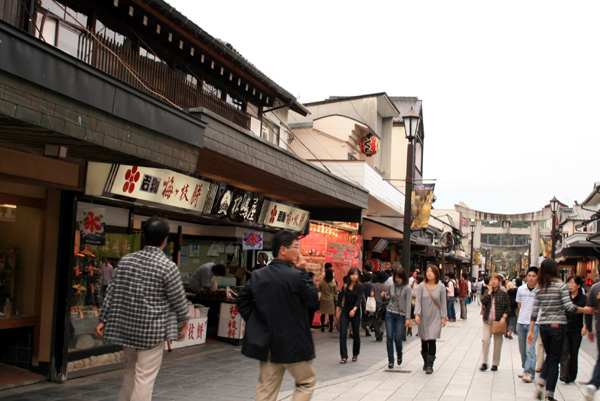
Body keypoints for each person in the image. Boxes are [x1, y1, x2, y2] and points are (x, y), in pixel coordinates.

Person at [94, 216, 189, 401]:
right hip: (152, 331)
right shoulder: (167, 267)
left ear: (144, 238)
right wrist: (184, 322)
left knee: (129, 373)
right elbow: (178, 298)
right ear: (165, 239)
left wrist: (102, 319)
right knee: (144, 378)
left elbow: (112, 292)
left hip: (127, 328)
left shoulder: (126, 261)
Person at [236, 230, 318, 401]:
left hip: (268, 343)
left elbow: (242, 301)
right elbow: (313, 301)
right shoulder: (296, 276)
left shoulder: (258, 275)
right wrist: (304, 271)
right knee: (306, 383)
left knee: (266, 389)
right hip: (295, 343)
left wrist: (256, 321)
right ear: (283, 249)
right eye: (296, 247)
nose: (298, 251)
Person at [527, 258, 591, 401]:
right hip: (558, 325)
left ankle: (541, 382)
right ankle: (549, 394)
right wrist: (584, 309)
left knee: (548, 357)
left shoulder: (540, 287)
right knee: (554, 360)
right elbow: (569, 307)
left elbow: (535, 310)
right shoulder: (561, 286)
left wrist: (531, 331)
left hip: (544, 326)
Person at [415, 264, 447, 374]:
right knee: (424, 340)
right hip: (424, 316)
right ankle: (425, 360)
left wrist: (444, 317)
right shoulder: (422, 286)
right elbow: (418, 301)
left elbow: (443, 303)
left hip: (435, 317)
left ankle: (430, 364)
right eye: (427, 271)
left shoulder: (441, 287)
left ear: (436, 274)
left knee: (432, 339)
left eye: (431, 271)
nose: (429, 273)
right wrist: (416, 314)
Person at [381, 267, 412, 369]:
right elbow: (389, 298)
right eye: (396, 277)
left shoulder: (407, 288)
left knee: (397, 337)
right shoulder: (392, 286)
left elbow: (408, 304)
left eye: (400, 277)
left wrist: (408, 317)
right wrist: (384, 296)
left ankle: (399, 354)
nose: (398, 279)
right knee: (389, 336)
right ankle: (390, 360)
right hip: (390, 312)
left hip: (400, 315)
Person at [480, 273, 510, 372]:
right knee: (485, 340)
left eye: (495, 280)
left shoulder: (503, 293)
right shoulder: (487, 292)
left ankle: (495, 363)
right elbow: (483, 301)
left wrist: (504, 318)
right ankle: (484, 362)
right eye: (491, 280)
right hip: (487, 320)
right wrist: (489, 292)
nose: (493, 281)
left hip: (498, 321)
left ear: (499, 282)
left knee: (498, 343)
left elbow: (508, 307)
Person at [559, 275, 587, 384]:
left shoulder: (584, 299)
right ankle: (564, 374)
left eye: (572, 283)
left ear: (578, 285)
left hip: (576, 329)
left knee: (574, 352)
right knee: (564, 351)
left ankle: (572, 375)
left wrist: (585, 327)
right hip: (565, 327)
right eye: (568, 283)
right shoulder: (565, 297)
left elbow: (587, 314)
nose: (570, 285)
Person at [336, 267, 364, 364]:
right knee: (343, 333)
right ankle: (344, 356)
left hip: (355, 312)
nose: (354, 276)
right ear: (349, 276)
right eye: (352, 274)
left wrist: (354, 310)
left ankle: (355, 354)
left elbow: (359, 300)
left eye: (356, 274)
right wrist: (337, 312)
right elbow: (340, 300)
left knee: (356, 334)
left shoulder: (360, 287)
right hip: (345, 311)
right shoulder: (345, 286)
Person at [516, 267, 539, 383]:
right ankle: (525, 369)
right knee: (522, 349)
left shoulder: (540, 290)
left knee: (530, 348)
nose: (531, 278)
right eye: (529, 276)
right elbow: (519, 305)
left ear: (538, 277)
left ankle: (530, 372)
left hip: (534, 323)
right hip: (521, 321)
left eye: (533, 276)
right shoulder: (521, 289)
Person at [585, 267, 600, 401]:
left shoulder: (595, 288)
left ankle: (594, 384)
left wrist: (589, 329)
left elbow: (589, 310)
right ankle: (594, 383)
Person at [372, 270, 389, 342]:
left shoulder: (374, 285)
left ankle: (377, 332)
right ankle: (382, 330)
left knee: (375, 319)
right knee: (384, 319)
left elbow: (372, 294)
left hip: (376, 304)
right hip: (385, 305)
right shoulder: (388, 286)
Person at [318, 268, 337, 332]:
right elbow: (335, 291)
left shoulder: (322, 282)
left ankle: (322, 326)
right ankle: (331, 326)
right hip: (330, 299)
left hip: (323, 298)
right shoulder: (333, 282)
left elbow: (319, 290)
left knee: (323, 313)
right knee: (331, 314)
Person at [361, 272, 375, 337]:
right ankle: (368, 325)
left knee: (364, 315)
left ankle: (364, 325)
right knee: (371, 315)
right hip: (371, 302)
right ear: (371, 279)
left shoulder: (361, 285)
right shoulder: (372, 285)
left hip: (363, 302)